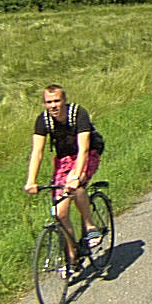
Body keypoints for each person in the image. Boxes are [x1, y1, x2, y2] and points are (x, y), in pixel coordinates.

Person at [24, 84, 105, 266]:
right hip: (64, 159)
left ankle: (90, 226)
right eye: (49, 102)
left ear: (64, 100)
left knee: (76, 185)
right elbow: (37, 152)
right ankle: (71, 255)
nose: (53, 106)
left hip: (87, 154)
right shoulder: (43, 120)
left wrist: (77, 176)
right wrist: (31, 181)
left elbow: (84, 149)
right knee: (60, 212)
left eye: (57, 101)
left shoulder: (78, 114)